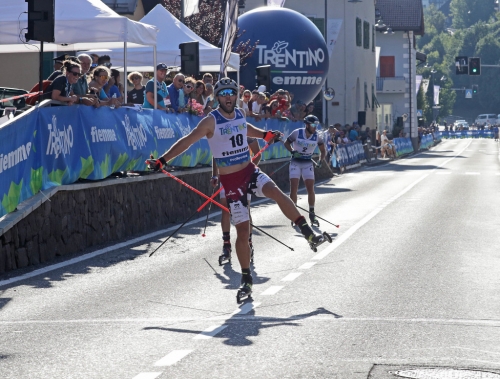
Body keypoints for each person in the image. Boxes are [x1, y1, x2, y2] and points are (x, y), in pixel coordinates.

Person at [150, 78, 325, 299]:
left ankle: (307, 233)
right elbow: (186, 142)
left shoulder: (240, 114)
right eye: (223, 94)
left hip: (249, 171)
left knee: (275, 192)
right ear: (217, 97)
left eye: (231, 93)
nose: (229, 98)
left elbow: (246, 128)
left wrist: (264, 135)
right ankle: (246, 279)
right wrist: (162, 161)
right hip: (231, 182)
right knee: (243, 231)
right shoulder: (210, 121)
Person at [211, 137, 262, 265]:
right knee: (225, 209)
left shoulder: (247, 133)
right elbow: (216, 155)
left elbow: (258, 153)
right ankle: (226, 245)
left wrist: (248, 172)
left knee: (246, 208)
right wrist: (215, 175)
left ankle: (249, 243)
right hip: (227, 176)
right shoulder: (221, 131)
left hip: (243, 177)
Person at [284, 115, 327, 227]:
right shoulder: (297, 133)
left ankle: (312, 213)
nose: (315, 127)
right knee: (294, 188)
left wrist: (321, 161)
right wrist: (293, 151)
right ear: (307, 125)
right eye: (313, 125)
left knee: (310, 188)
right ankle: (294, 214)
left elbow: (323, 150)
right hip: (296, 162)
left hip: (308, 163)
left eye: (316, 125)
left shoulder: (317, 136)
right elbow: (286, 143)